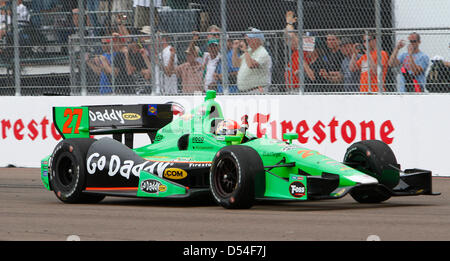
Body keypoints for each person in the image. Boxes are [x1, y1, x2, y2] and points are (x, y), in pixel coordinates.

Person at [232, 28, 271, 93]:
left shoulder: (262, 52)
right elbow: (236, 64)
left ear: (258, 40)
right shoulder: (249, 51)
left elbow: (251, 65)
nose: (248, 40)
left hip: (256, 90)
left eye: (251, 38)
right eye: (247, 38)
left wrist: (245, 50)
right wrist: (235, 50)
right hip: (244, 91)